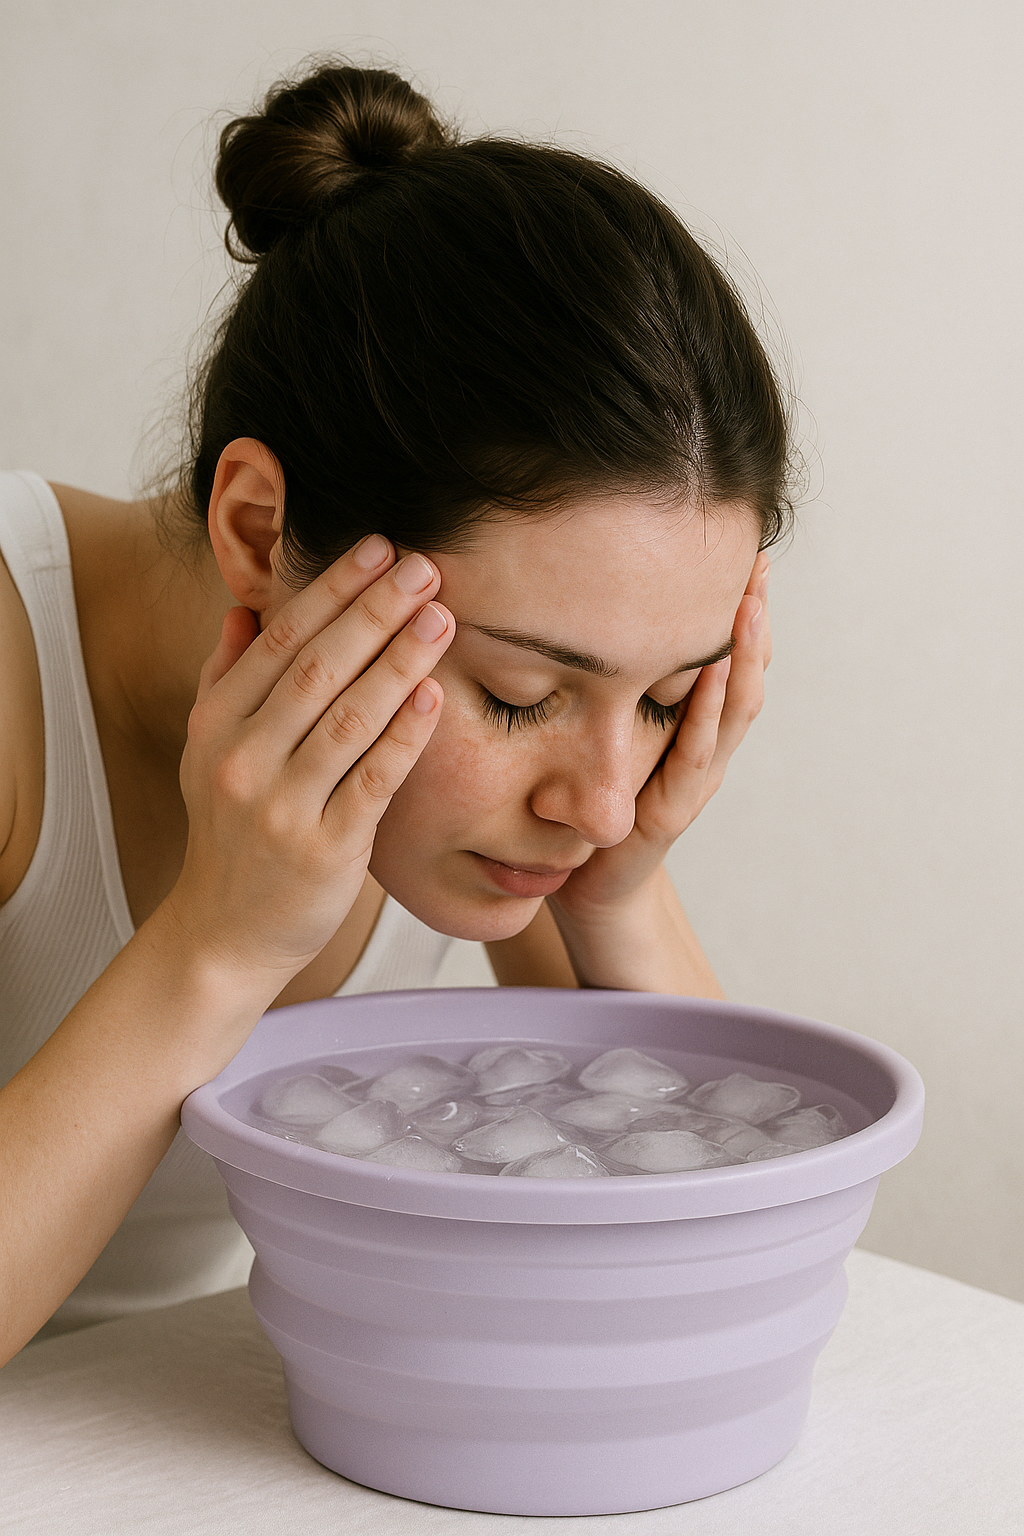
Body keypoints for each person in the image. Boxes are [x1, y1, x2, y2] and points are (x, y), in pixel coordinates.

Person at [0, 61, 787, 1361]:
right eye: (517, 693)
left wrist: (623, 902)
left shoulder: (554, 833)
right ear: (259, 530)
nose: (599, 801)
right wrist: (216, 943)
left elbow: (714, 1272)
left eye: (662, 697)